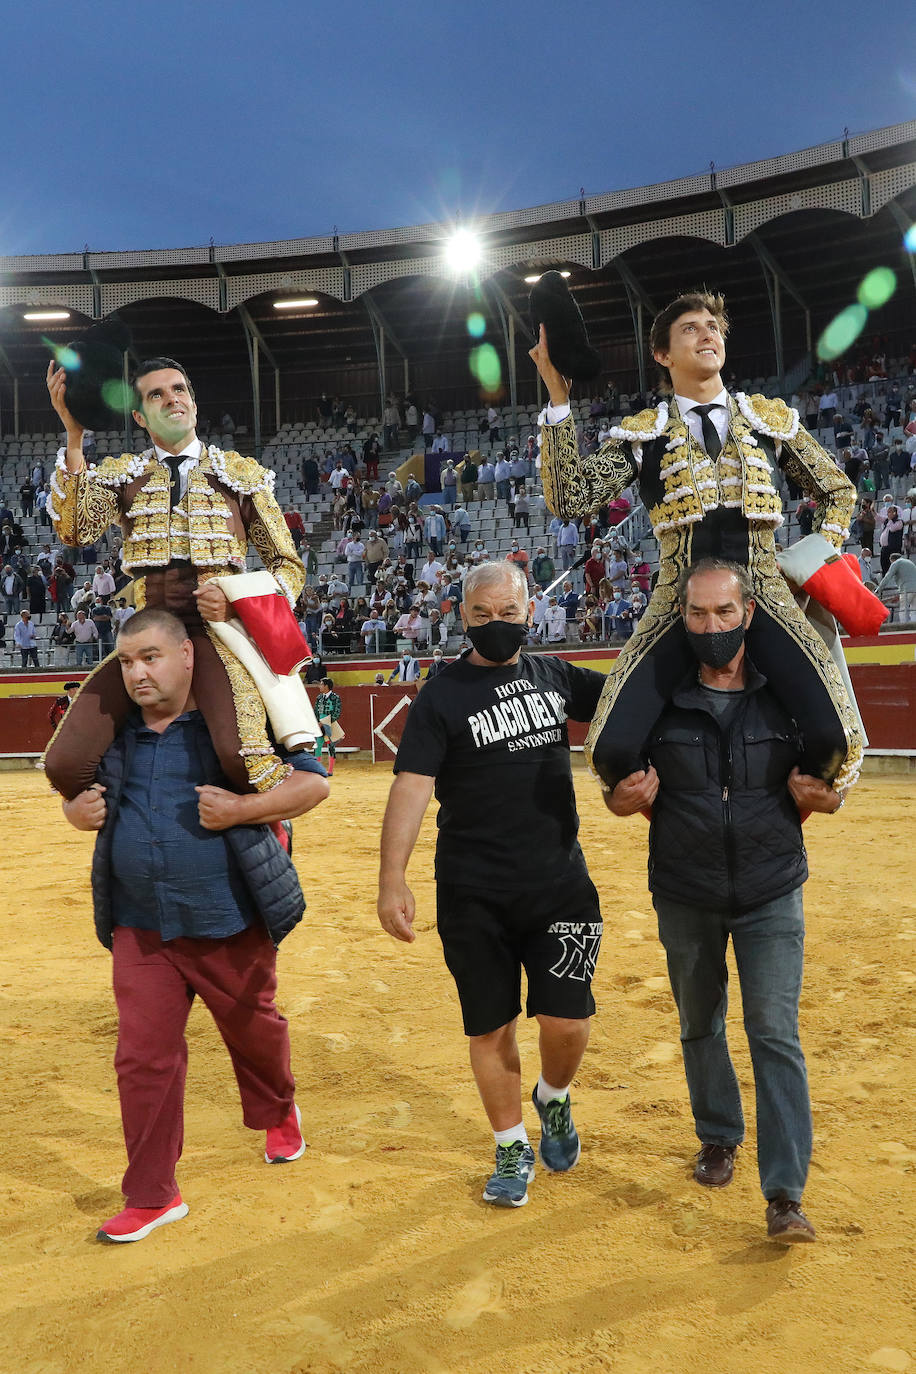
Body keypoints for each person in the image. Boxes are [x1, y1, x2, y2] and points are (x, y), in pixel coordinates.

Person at [59, 608, 328, 1243]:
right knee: (141, 1058)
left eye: (150, 657)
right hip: (140, 923)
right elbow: (74, 793)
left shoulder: (230, 723)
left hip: (226, 919)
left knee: (253, 1028)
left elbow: (312, 787)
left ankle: (277, 1109)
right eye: (126, 662)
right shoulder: (113, 734)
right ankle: (153, 1195)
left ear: (187, 656)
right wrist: (74, 811)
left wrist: (243, 808)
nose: (137, 674)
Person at [532, 290, 862, 797]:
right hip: (676, 604)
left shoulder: (768, 421)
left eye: (713, 326)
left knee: (835, 741)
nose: (707, 333)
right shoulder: (645, 435)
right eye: (690, 328)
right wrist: (558, 401)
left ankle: (765, 808)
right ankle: (687, 808)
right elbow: (571, 499)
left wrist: (812, 558)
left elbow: (839, 492)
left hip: (765, 596)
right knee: (611, 749)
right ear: (662, 355)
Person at [604, 561, 844, 1244]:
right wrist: (616, 802)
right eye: (699, 615)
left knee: (773, 1031)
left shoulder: (787, 699)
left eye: (725, 613)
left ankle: (784, 1194)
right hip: (685, 889)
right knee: (699, 1021)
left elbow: (831, 777)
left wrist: (830, 798)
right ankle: (717, 1134)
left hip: (771, 889)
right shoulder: (658, 700)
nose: (713, 627)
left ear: (749, 614)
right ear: (682, 620)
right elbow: (620, 784)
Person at [377, 561, 606, 1207]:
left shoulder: (556, 676)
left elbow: (630, 697)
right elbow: (411, 787)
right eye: (482, 615)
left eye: (507, 614)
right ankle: (511, 1147)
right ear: (463, 617)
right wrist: (391, 877)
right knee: (490, 1028)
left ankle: (553, 1097)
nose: (496, 625)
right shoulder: (440, 698)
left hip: (561, 884)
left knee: (568, 1022)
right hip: (472, 893)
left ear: (530, 613)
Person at [45, 356, 307, 800]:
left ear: (194, 403)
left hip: (220, 636)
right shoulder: (124, 475)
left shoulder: (241, 476)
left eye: (179, 389)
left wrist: (239, 602)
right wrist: (74, 435)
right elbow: (75, 529)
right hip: (148, 636)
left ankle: (271, 824)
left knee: (246, 761)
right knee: (65, 764)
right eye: (156, 394)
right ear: (140, 415)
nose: (171, 399)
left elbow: (289, 568)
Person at [314, 677, 342, 774]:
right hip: (320, 725)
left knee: (331, 746)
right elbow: (316, 712)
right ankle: (318, 770)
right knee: (317, 746)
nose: (319, 686)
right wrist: (317, 723)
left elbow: (337, 713)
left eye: (321, 684)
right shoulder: (319, 698)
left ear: (326, 686)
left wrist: (324, 722)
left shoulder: (335, 698)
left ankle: (330, 771)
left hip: (330, 725)